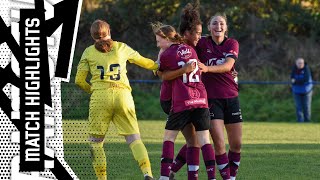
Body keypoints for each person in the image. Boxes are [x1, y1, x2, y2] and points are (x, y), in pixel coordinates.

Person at [75, 19, 158, 180]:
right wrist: (157, 66)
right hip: (123, 96)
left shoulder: (88, 52)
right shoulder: (121, 47)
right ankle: (147, 173)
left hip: (100, 97)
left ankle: (102, 178)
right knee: (134, 139)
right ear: (109, 32)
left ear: (93, 36)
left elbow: (79, 80)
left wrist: (93, 90)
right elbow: (143, 61)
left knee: (96, 142)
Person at [155, 2, 216, 180]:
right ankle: (189, 175)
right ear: (186, 33)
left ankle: (170, 174)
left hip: (184, 100)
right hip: (172, 99)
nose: (200, 36)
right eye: (197, 33)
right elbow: (161, 73)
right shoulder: (173, 49)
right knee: (196, 141)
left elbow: (160, 71)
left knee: (192, 141)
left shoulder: (184, 49)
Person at [197, 12, 242, 180]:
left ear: (226, 27)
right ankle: (227, 178)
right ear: (208, 27)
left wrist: (208, 68)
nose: (218, 27)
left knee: (236, 144)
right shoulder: (202, 43)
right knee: (219, 144)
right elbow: (185, 45)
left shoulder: (232, 43)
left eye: (221, 23)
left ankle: (231, 176)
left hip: (231, 97)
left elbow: (228, 65)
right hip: (211, 99)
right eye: (214, 23)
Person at [290, 57, 313, 122]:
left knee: (306, 107)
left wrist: (296, 81)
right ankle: (300, 121)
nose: (300, 64)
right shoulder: (294, 69)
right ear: (296, 63)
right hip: (296, 91)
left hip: (307, 91)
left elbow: (306, 79)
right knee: (298, 107)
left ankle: (307, 121)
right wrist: (296, 81)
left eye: (302, 63)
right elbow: (291, 79)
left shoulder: (306, 69)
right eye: (299, 63)